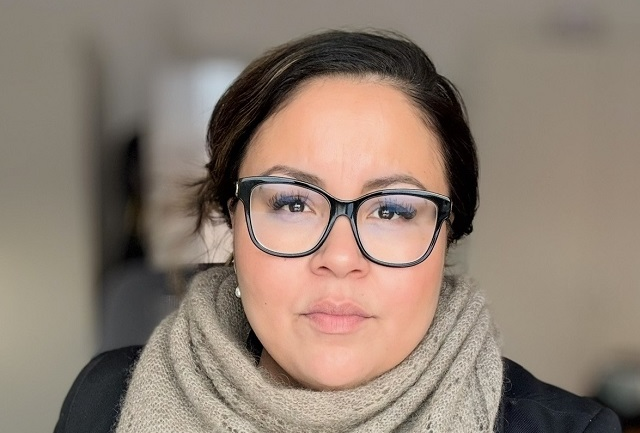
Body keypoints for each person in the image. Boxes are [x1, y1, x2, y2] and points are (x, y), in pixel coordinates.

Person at [54, 30, 621, 432]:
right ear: (235, 222)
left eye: (392, 211)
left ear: (448, 236)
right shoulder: (105, 401)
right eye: (292, 203)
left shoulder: (568, 429)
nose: (341, 257)